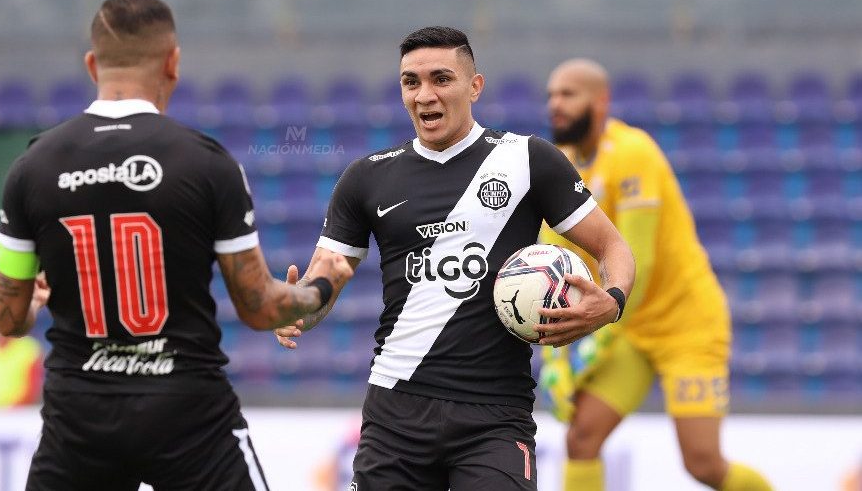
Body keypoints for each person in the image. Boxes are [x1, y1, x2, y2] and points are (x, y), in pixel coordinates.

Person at [0, 0, 352, 491]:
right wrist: (320, 288)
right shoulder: (206, 163)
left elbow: (6, 321)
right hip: (187, 416)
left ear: (92, 64)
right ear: (173, 63)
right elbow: (259, 308)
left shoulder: (31, 167)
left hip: (80, 417)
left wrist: (31, 303)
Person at [274, 27, 636, 490]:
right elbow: (323, 278)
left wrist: (612, 299)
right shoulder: (366, 178)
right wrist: (300, 308)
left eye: (442, 78)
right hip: (394, 413)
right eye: (411, 82)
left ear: (475, 86)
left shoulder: (528, 160)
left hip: (495, 416)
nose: (425, 94)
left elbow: (614, 247)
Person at [539, 58, 772, 491]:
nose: (556, 104)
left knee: (702, 463)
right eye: (551, 95)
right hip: (632, 327)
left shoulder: (633, 152)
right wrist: (554, 358)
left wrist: (599, 337)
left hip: (687, 325)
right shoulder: (561, 166)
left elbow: (637, 261)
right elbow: (548, 265)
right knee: (582, 438)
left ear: (601, 101)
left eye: (568, 94)